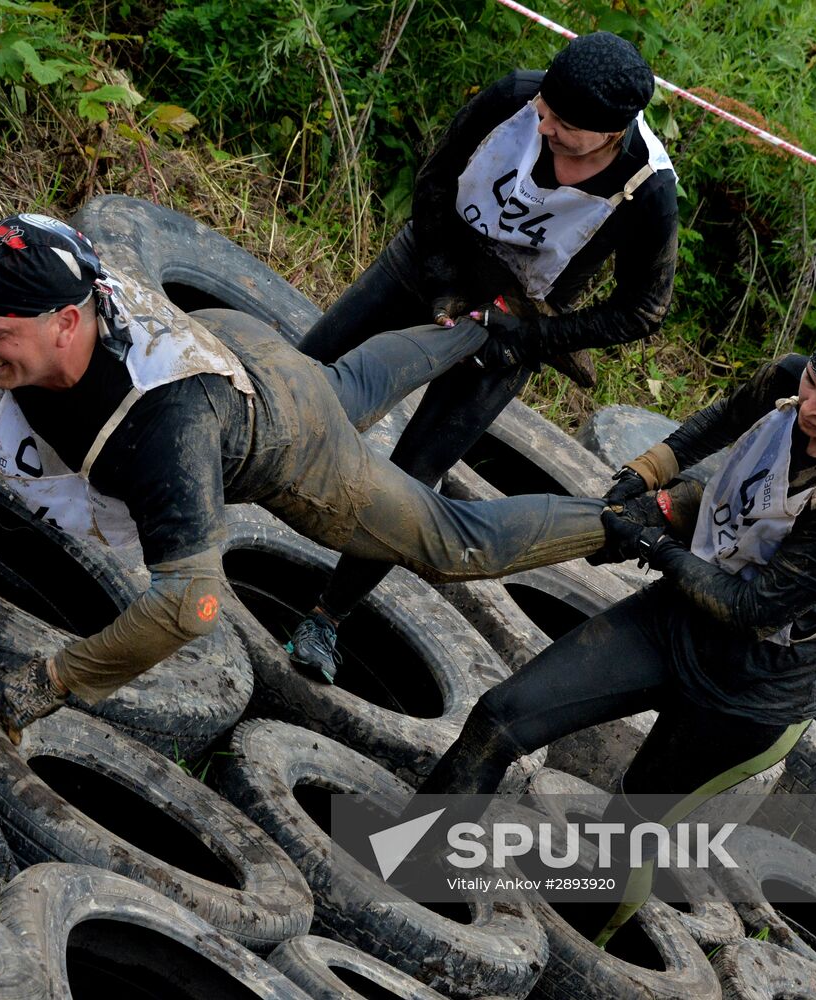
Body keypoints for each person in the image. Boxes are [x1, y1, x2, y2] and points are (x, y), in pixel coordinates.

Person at [0, 213, 607, 744]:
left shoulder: (164, 434)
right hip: (237, 348)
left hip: (281, 440)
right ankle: (486, 323)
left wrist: (54, 681)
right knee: (343, 384)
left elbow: (194, 607)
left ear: (68, 321)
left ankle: (629, 516)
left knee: (450, 544)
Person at [401, 307, 816, 946]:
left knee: (626, 826)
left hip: (753, 691)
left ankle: (577, 971)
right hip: (678, 621)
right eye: (813, 382)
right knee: (499, 717)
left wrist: (653, 542)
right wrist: (645, 475)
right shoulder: (792, 382)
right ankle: (405, 887)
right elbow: (717, 423)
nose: (811, 406)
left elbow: (754, 611)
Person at [288, 30, 679, 683]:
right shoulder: (516, 97)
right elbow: (436, 176)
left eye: (564, 124)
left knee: (416, 472)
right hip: (429, 255)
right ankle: (200, 485)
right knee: (307, 374)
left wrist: (527, 338)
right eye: (544, 109)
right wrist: (441, 276)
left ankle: (326, 617)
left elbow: (642, 309)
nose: (545, 124)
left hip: (515, 318)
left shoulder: (646, 193)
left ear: (612, 132)